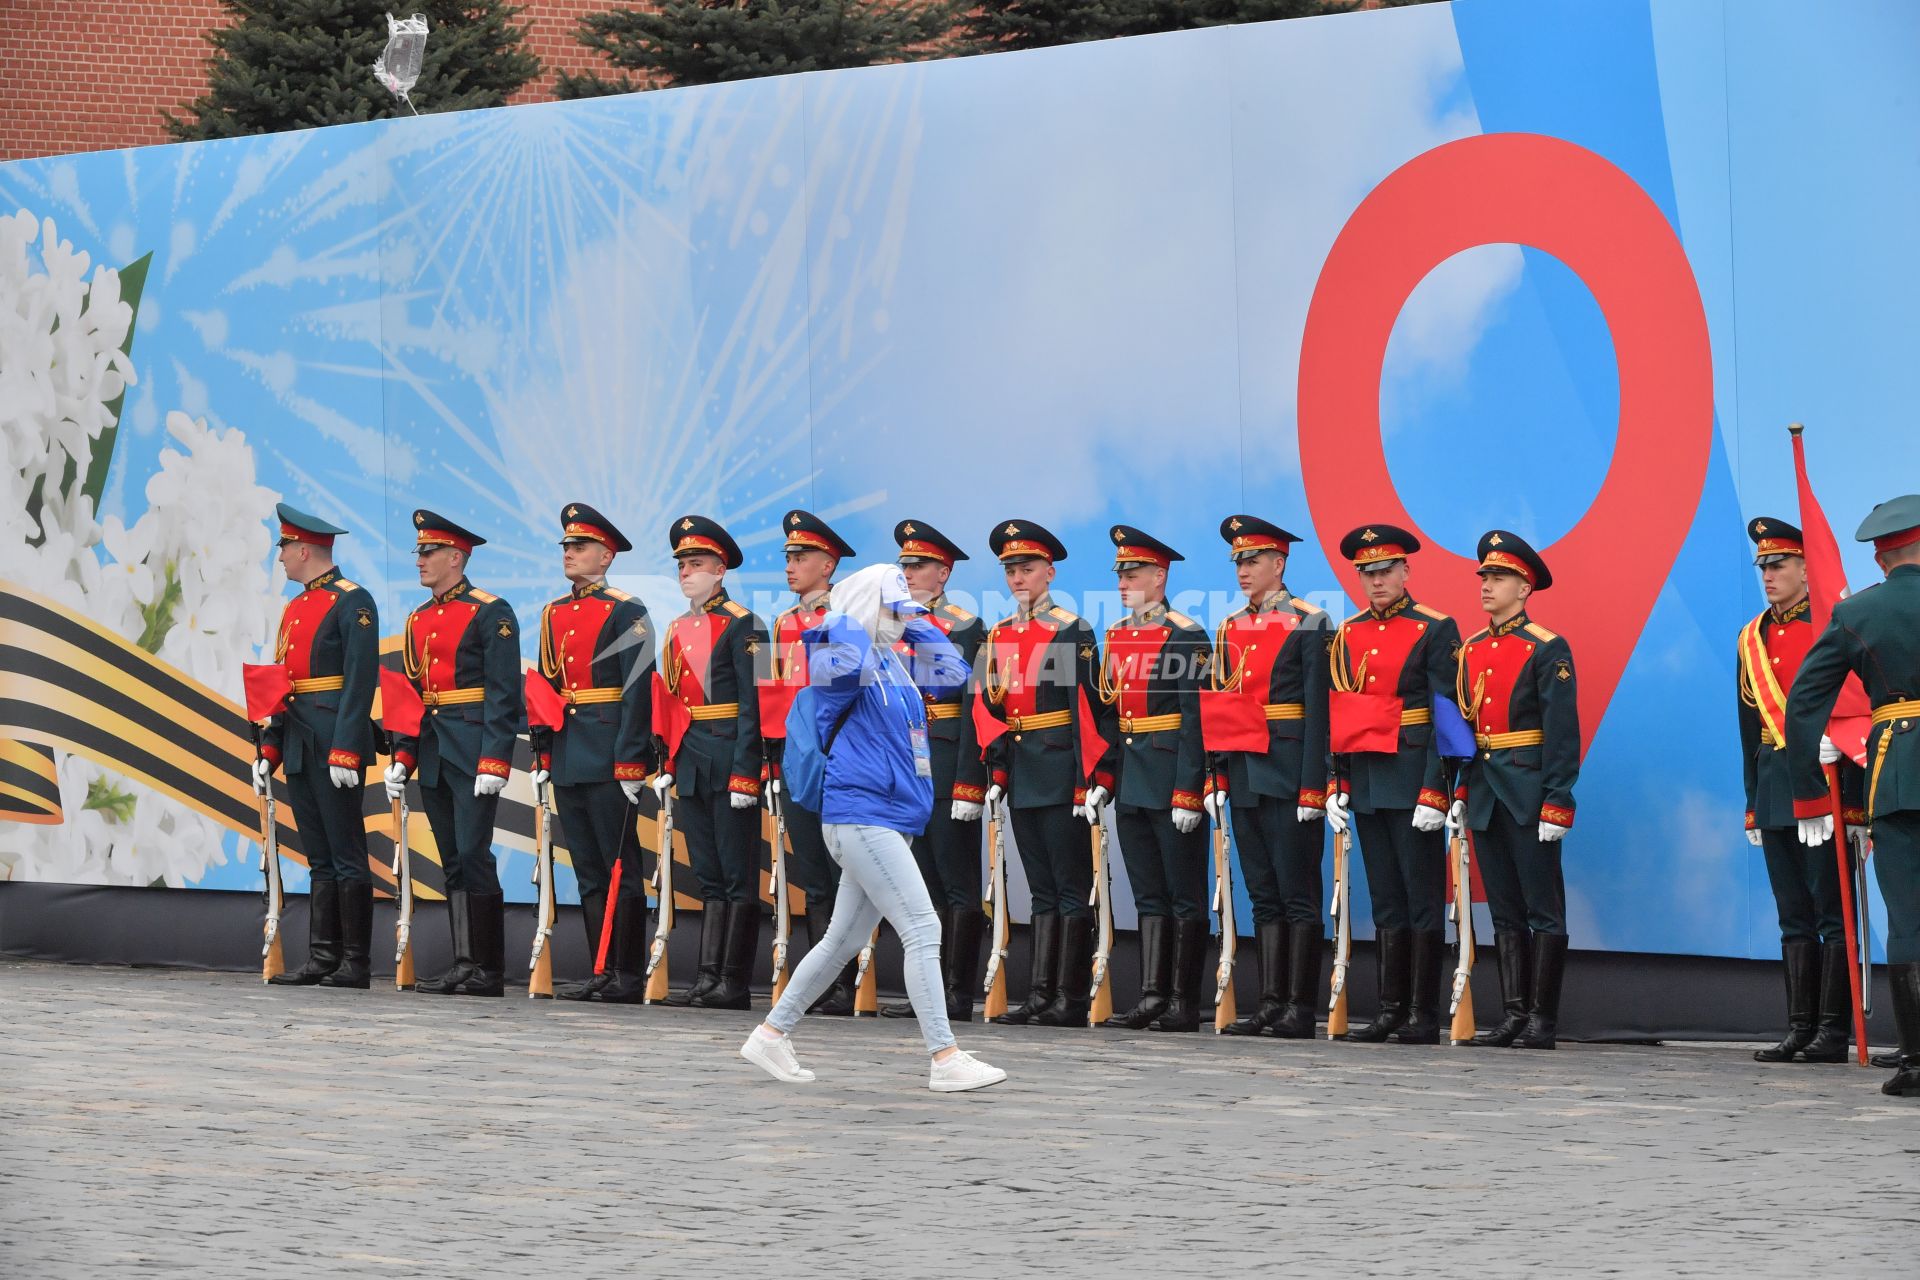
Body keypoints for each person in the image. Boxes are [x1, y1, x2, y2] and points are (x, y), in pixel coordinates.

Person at [739, 564, 1007, 1093]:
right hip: (861, 814)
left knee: (843, 939)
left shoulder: (892, 661)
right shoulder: (839, 651)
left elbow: (954, 674)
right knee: (923, 928)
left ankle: (770, 1035)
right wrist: (853, 618)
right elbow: (841, 668)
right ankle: (945, 1055)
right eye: (891, 609)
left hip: (886, 815)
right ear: (865, 608)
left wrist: (913, 620)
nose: (899, 620)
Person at [1785, 495, 1920, 1099]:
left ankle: (1916, 1060)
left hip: (1897, 778)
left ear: (1880, 555)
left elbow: (1805, 703)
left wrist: (1811, 788)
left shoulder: (1858, 612)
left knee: (1910, 923)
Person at [1735, 517, 1866, 1064]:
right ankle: (1799, 1026)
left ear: (1807, 569)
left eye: (1779, 564)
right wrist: (1751, 803)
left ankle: (1832, 1031)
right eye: (1763, 565)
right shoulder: (1753, 636)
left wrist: (1857, 804)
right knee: (1792, 913)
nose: (1768, 574)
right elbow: (1747, 725)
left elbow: (1858, 710)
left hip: (1827, 783)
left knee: (1831, 911)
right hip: (1774, 786)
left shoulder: (1833, 626)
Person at [1325, 524, 1460, 1045]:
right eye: (1367, 573)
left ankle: (1422, 1014)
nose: (1377, 581)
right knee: (1385, 898)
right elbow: (1342, 712)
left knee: (1421, 898)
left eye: (1385, 571)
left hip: (1411, 779)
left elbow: (1444, 717)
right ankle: (1389, 1008)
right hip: (1368, 778)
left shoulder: (1435, 628)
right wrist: (1337, 781)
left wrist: (1435, 790)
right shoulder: (1349, 632)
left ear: (1406, 571)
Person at [384, 510, 523, 998]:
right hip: (435, 749)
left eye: (429, 552)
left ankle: (488, 968)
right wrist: (404, 754)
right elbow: (412, 694)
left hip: (473, 746)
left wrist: (495, 759)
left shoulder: (490, 611)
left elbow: (504, 693)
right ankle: (465, 962)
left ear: (456, 558)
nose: (420, 560)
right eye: (419, 551)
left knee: (473, 852)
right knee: (451, 858)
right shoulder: (418, 618)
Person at [1449, 531, 1579, 1050]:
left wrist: (1558, 799)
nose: (1486, 585)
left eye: (1498, 578)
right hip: (1483, 791)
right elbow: (1461, 730)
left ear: (1524, 589)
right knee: (1502, 909)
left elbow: (1562, 733)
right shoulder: (1472, 649)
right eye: (1484, 576)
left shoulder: (1547, 648)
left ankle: (1542, 1020)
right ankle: (1514, 1014)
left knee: (1542, 908)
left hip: (1528, 791)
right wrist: (1459, 794)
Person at [1208, 515, 1333, 1039]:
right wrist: (1215, 777)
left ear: (1279, 564)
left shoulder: (1311, 620)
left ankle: (1299, 1007)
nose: (1243, 569)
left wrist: (1314, 785)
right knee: (1262, 891)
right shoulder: (1231, 626)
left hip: (1287, 771)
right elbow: (1219, 705)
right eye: (1238, 561)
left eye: (1253, 560)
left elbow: (1318, 711)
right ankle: (1269, 1002)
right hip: (1244, 772)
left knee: (1297, 891)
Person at [978, 520, 1105, 1028]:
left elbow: (1088, 711)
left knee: (1070, 887)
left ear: (1049, 571)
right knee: (1040, 890)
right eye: (1011, 570)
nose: (1018, 578)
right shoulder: (1001, 633)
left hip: (1059, 769)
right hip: (1023, 772)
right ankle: (1039, 993)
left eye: (1027, 568)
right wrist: (997, 774)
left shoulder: (1072, 630)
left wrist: (1085, 781)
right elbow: (990, 709)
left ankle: (1070, 998)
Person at [529, 504, 656, 1002]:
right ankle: (600, 968)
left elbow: (637, 687)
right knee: (587, 869)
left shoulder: (627, 609)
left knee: (619, 868)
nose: (570, 554)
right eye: (566, 547)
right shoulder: (553, 612)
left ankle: (625, 973)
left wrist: (630, 761)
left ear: (605, 556)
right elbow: (545, 689)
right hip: (568, 751)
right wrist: (542, 754)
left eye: (579, 547)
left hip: (608, 752)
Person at [1092, 525, 1213, 1032]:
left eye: (1134, 572)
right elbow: (1109, 716)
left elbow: (1195, 719)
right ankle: (1150, 995)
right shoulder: (1118, 634)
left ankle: (1183, 1001)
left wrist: (1189, 791)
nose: (1124, 581)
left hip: (1170, 778)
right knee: (1147, 894)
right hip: (1133, 779)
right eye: (1121, 573)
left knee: (1183, 892)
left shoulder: (1186, 634)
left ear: (1159, 576)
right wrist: (1104, 777)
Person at [256, 504, 380, 989]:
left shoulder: (353, 601)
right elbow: (282, 683)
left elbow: (358, 679)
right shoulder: (295, 607)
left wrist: (347, 746)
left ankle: (355, 961)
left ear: (304, 549)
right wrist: (270, 747)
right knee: (318, 854)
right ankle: (323, 956)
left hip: (333, 742)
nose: (281, 557)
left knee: (346, 851)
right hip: (300, 738)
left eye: (284, 547)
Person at [653, 515, 768, 1009]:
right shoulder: (678, 626)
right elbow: (673, 700)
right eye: (682, 564)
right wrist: (669, 760)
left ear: (720, 570)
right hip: (693, 757)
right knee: (707, 871)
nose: (686, 572)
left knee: (738, 873)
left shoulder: (746, 624)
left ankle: (735, 982)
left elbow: (755, 704)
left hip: (729, 756)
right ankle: (706, 976)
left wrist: (748, 771)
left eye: (696, 563)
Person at [881, 519, 990, 1022]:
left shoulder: (963, 627)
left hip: (946, 762)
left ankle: (956, 993)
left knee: (956, 884)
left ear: (943, 573)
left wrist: (969, 780)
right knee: (917, 884)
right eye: (903, 565)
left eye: (919, 565)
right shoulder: (892, 623)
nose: (909, 573)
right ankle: (925, 989)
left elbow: (974, 709)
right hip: (904, 767)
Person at [768, 509, 861, 1015]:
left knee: (843, 869)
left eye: (801, 557)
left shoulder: (847, 620)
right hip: (799, 761)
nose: (791, 566)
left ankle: (849, 980)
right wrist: (771, 761)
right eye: (789, 557)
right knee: (813, 876)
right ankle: (825, 983)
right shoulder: (783, 624)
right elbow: (772, 695)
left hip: (841, 759)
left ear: (827, 565)